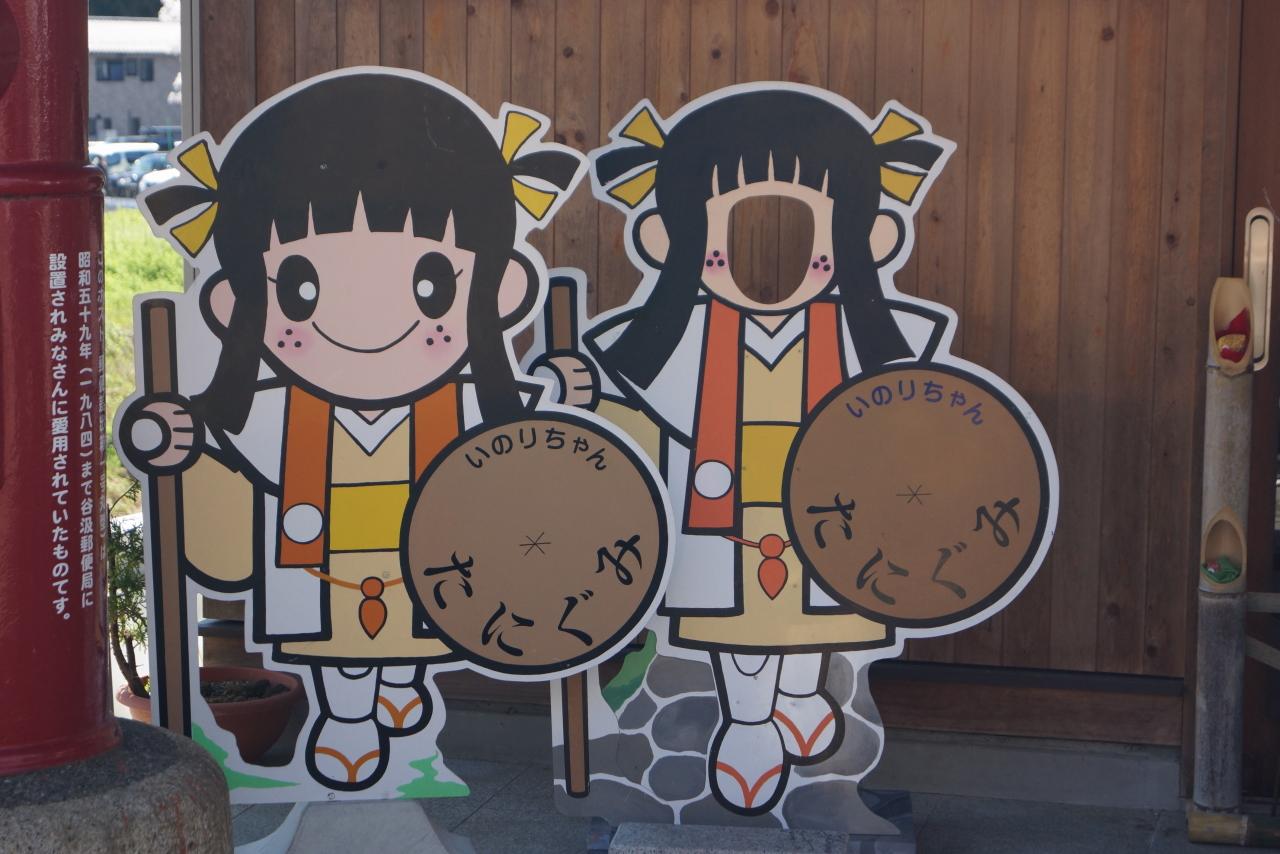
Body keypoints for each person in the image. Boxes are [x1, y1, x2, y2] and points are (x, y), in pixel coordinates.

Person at [117, 69, 582, 791]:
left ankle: (398, 685)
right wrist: (179, 439)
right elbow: (218, 456)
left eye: (431, 285)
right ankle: (349, 715)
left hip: (434, 562)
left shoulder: (465, 404)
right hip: (321, 562)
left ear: (501, 291)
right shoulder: (276, 409)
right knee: (337, 643)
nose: (368, 324)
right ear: (235, 301)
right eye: (301, 289)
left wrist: (562, 392)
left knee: (415, 626)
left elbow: (524, 443)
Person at [544, 85, 952, 814]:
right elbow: (644, 429)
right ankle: (750, 722)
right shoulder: (683, 344)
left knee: (820, 613)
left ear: (868, 237)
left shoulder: (863, 339)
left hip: (830, 513)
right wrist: (587, 402)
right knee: (738, 625)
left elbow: (908, 427)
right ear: (669, 239)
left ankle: (799, 689)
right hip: (720, 516)